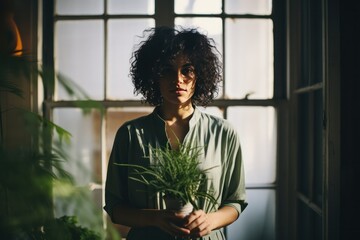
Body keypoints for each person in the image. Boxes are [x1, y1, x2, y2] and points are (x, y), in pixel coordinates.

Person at [104, 26, 247, 240]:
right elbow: (115, 207)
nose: (177, 79)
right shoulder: (131, 134)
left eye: (187, 70)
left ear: (199, 74)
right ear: (153, 76)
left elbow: (235, 201)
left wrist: (210, 220)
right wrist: (154, 218)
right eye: (167, 70)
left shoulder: (223, 133)